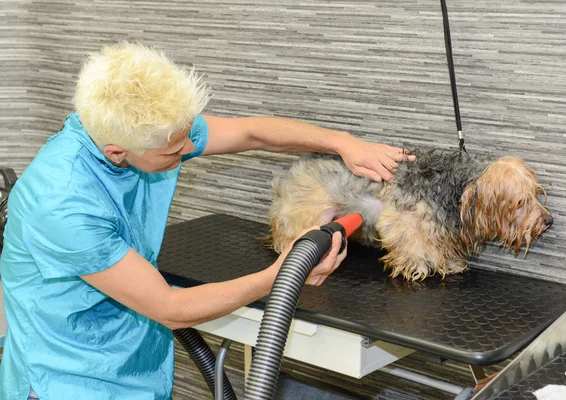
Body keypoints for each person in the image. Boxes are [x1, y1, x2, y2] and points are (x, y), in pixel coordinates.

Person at [0, 42, 415, 399]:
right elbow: (170, 308)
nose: (187, 151)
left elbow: (251, 134)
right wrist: (283, 272)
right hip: (69, 379)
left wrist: (343, 143)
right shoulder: (62, 203)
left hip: (132, 361)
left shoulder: (144, 132)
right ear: (116, 152)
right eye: (173, 151)